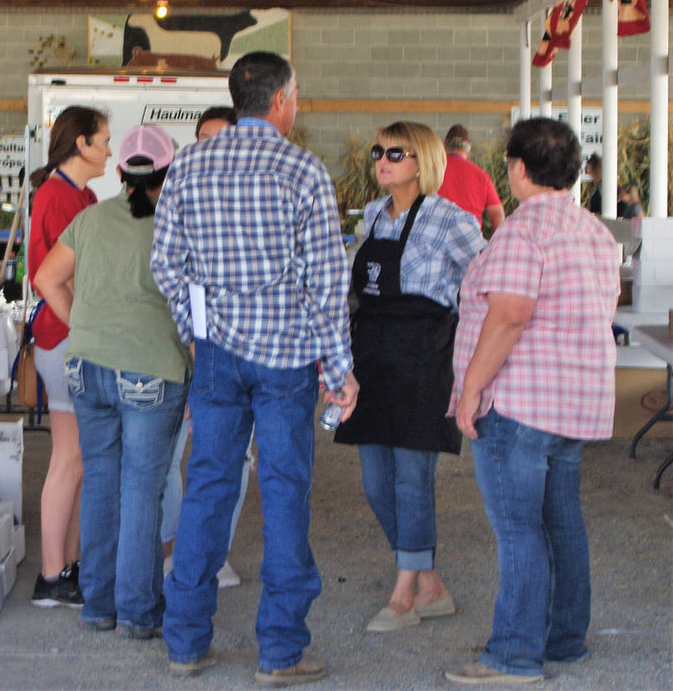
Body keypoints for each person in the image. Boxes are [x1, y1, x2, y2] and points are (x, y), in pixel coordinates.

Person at [151, 51, 359, 686]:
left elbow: (166, 265)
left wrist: (198, 333)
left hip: (216, 357)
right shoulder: (302, 169)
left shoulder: (188, 163)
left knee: (209, 487)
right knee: (285, 492)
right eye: (296, 95)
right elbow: (326, 280)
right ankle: (281, 649)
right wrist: (341, 368)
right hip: (287, 359)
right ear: (281, 101)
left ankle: (186, 642)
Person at [445, 117, 620, 685]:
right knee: (562, 523)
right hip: (575, 403)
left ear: (518, 169)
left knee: (519, 530)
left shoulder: (523, 231)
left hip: (520, 404)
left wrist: (470, 391)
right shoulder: (595, 231)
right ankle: (563, 639)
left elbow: (511, 314)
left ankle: (515, 655)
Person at [34, 124, 190, 639]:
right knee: (142, 491)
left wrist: (83, 326)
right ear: (169, 173)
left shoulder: (90, 217)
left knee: (101, 483)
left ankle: (98, 606)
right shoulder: (178, 223)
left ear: (120, 171)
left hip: (86, 367)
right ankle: (139, 611)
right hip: (150, 370)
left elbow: (45, 279)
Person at [332, 122, 485, 632]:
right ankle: (430, 582)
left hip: (423, 362)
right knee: (377, 484)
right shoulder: (371, 217)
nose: (382, 160)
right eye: (378, 151)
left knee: (412, 480)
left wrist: (469, 361)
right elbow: (358, 290)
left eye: (395, 153)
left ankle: (403, 595)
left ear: (423, 161)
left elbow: (482, 285)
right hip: (372, 359)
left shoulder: (452, 220)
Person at [159, 105, 248, 590]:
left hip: (240, 355)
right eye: (203, 137)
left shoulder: (259, 198)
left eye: (222, 136)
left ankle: (216, 552)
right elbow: (166, 269)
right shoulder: (180, 193)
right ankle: (176, 546)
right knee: (173, 452)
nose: (212, 146)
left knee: (235, 458)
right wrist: (192, 334)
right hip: (184, 349)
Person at [27, 105, 111, 608]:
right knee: (68, 458)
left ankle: (68, 566)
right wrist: (85, 331)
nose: (108, 148)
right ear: (80, 143)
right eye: (102, 139)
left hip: (72, 339)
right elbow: (52, 278)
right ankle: (51, 575)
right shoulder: (58, 196)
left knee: (78, 460)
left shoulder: (82, 194)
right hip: (64, 342)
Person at [437, 124, 504, 232]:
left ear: (444, 147)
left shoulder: (433, 172)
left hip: (437, 240)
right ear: (468, 151)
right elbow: (497, 215)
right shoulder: (482, 176)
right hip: (471, 241)